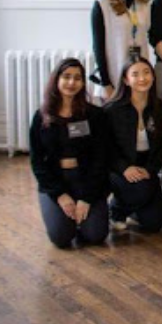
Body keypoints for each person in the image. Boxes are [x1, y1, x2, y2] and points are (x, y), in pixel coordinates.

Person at [29, 58, 109, 248]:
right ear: (56, 80)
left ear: (83, 83)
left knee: (96, 235)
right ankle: (67, 219)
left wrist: (87, 198)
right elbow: (37, 161)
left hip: (86, 179)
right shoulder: (41, 116)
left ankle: (82, 218)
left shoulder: (95, 115)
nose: (72, 83)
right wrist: (60, 195)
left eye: (77, 78)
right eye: (66, 77)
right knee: (61, 238)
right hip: (56, 180)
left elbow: (101, 159)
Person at [104, 57, 162, 233]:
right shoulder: (112, 110)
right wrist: (124, 168)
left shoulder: (159, 108)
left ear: (153, 77)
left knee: (155, 224)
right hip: (118, 167)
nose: (142, 78)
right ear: (126, 80)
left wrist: (150, 169)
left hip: (146, 166)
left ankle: (132, 207)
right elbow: (105, 148)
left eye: (147, 72)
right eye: (135, 74)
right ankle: (116, 210)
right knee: (142, 190)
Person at [91, 0, 151, 102]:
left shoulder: (144, 4)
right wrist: (105, 83)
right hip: (113, 75)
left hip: (138, 79)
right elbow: (98, 46)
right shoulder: (103, 3)